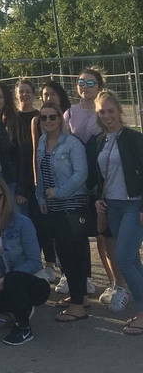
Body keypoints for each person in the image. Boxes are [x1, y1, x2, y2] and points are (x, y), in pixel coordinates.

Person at [63, 68, 120, 305]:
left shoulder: (102, 112)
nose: (84, 86)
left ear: (99, 86)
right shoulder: (69, 113)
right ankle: (82, 282)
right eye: (80, 82)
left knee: (104, 234)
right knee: (78, 232)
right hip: (77, 181)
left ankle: (115, 283)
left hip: (101, 180)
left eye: (90, 82)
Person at [0, 177, 50, 346]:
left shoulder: (23, 223)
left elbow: (35, 261)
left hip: (35, 282)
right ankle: (20, 309)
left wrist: (7, 278)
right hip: (8, 281)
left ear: (5, 198)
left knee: (12, 279)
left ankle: (24, 328)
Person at [35, 101, 90, 322]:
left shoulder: (72, 144)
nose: (48, 121)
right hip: (54, 208)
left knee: (72, 255)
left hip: (71, 205)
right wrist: (41, 196)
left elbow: (81, 175)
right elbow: (39, 171)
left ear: (60, 119)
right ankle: (80, 297)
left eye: (52, 117)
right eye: (44, 117)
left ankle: (78, 306)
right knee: (63, 255)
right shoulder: (41, 141)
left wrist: (58, 192)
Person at [94, 91, 143, 335]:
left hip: (134, 204)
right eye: (102, 112)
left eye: (110, 111)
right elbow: (98, 178)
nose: (107, 116)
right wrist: (97, 199)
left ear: (119, 111)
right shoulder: (99, 140)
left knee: (123, 258)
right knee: (133, 259)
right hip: (111, 205)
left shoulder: (134, 138)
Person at [0, 82, 31, 212]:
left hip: (11, 180)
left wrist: (21, 190)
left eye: (0, 96)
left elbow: (24, 157)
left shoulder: (16, 122)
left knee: (16, 219)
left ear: (6, 99)